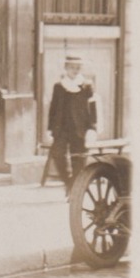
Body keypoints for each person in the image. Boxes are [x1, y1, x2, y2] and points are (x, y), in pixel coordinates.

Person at [45, 53, 98, 189]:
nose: (75, 71)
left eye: (77, 68)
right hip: (61, 128)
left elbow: (92, 108)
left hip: (80, 127)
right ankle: (68, 181)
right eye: (72, 67)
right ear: (66, 68)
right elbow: (53, 108)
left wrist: (92, 127)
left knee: (79, 158)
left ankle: (74, 186)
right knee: (57, 154)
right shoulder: (59, 86)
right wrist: (50, 129)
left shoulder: (86, 86)